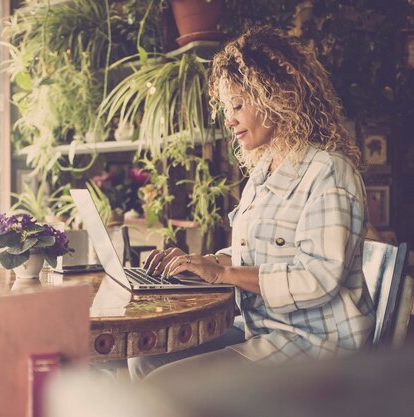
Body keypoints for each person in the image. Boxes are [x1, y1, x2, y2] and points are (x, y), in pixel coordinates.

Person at [129, 26, 375, 381]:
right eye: (227, 107)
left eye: (239, 105)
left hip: (318, 349)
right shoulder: (264, 172)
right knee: (146, 359)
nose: (229, 119)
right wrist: (204, 263)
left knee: (164, 381)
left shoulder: (328, 173)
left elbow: (317, 278)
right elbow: (259, 253)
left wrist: (223, 274)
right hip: (265, 332)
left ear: (278, 96)